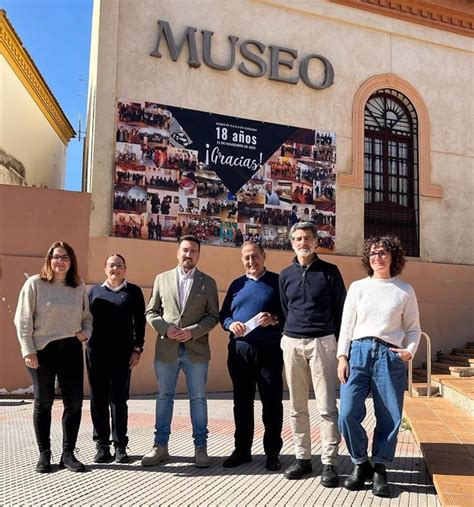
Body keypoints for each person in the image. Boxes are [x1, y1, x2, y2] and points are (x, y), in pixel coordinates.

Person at [337, 235, 421, 498]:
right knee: (347, 412)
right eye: (373, 253)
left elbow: (414, 329)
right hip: (358, 353)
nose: (378, 257)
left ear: (393, 256)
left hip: (389, 355)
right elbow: (347, 325)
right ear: (368, 258)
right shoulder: (358, 287)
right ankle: (361, 463)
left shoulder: (404, 290)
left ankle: (380, 468)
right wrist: (342, 356)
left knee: (390, 416)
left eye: (383, 252)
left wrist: (409, 351)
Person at [14, 241, 92, 473]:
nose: (60, 261)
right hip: (42, 351)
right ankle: (44, 454)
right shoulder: (35, 284)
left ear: (71, 261)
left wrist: (85, 334)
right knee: (44, 402)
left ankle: (67, 454)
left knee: (74, 403)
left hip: (70, 349)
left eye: (65, 257)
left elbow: (87, 318)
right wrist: (27, 350)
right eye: (56, 257)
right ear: (49, 259)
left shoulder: (78, 286)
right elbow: (23, 320)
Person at [142, 235, 219, 468]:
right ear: (178, 253)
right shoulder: (161, 279)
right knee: (164, 397)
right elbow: (151, 312)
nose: (189, 254)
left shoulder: (208, 282)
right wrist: (166, 329)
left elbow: (214, 316)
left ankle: (200, 447)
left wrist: (194, 331)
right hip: (167, 350)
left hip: (196, 351)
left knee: (198, 399)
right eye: (185, 250)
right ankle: (160, 446)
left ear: (198, 254)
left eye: (193, 251)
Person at [279, 222, 346, 485]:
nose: (302, 242)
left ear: (316, 242)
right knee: (296, 407)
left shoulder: (330, 272)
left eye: (307, 238)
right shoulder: (285, 275)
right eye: (297, 238)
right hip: (292, 343)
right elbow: (286, 309)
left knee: (327, 406)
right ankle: (303, 458)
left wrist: (342, 351)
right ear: (292, 243)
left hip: (323, 343)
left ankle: (329, 462)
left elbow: (341, 312)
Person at [220, 242, 284, 471]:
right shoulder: (237, 285)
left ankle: (273, 453)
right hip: (240, 353)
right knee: (242, 403)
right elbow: (223, 316)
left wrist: (275, 319)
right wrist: (231, 324)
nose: (251, 261)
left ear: (264, 256)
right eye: (246, 257)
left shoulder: (278, 282)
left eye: (255, 256)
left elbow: (289, 315)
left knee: (272, 403)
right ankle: (242, 450)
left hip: (269, 352)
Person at [87, 254, 146, 464]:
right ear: (105, 269)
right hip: (96, 353)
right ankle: (102, 446)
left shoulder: (134, 292)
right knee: (98, 399)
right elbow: (85, 319)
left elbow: (140, 323)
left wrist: (137, 349)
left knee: (119, 400)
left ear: (125, 269)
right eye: (112, 265)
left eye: (120, 265)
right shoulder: (93, 291)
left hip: (123, 354)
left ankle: (120, 445)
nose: (116, 269)